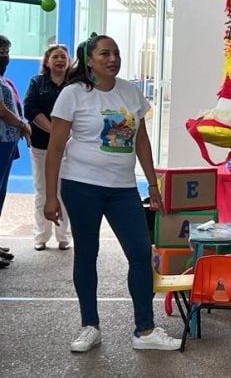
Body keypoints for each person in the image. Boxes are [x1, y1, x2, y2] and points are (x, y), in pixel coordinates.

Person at [44, 35, 181, 352]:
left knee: (140, 253)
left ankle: (145, 330)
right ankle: (89, 326)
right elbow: (55, 148)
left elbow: (142, 141)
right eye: (104, 53)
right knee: (86, 253)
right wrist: (51, 196)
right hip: (81, 186)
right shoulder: (73, 94)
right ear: (89, 60)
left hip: (123, 188)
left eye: (116, 53)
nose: (113, 58)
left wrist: (154, 185)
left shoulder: (130, 92)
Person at [24, 44, 72, 251]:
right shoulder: (37, 82)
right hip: (41, 146)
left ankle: (64, 237)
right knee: (42, 191)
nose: (60, 60)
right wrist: (55, 131)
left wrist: (64, 134)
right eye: (55, 57)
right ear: (47, 61)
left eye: (63, 57)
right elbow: (30, 109)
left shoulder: (74, 84)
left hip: (69, 147)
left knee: (64, 192)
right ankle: (41, 236)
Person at [0, 35, 32, 268]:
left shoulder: (3, 80)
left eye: (6, 51)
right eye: (0, 51)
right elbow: (1, 110)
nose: (4, 56)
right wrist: (22, 124)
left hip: (7, 142)